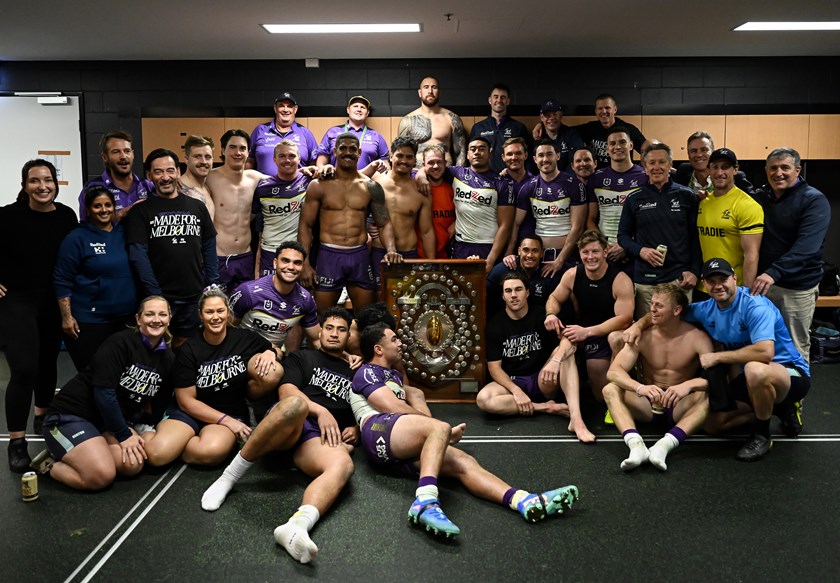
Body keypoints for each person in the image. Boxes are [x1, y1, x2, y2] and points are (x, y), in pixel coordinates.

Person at [349, 322, 580, 538]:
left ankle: (523, 501)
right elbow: (392, 406)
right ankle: (425, 502)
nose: (400, 343)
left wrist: (439, 438)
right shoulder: (368, 371)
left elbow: (418, 407)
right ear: (378, 349)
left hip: (397, 441)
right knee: (438, 428)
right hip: (376, 429)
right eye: (394, 339)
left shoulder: (395, 376)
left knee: (464, 462)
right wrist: (442, 432)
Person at [199, 307, 358, 564]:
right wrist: (321, 412)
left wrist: (357, 430)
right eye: (329, 327)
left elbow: (365, 410)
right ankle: (229, 477)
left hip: (316, 439)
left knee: (344, 465)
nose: (333, 334)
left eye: (341, 330)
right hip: (288, 423)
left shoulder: (355, 371)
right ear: (321, 330)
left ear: (349, 335)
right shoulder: (302, 357)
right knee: (297, 405)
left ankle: (296, 527)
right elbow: (287, 393)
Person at [625, 258, 812, 461]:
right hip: (749, 379)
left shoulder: (754, 305)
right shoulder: (706, 309)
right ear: (704, 284)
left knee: (755, 369)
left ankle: (762, 436)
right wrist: (638, 325)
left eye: (723, 279)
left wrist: (717, 357)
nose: (717, 285)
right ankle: (778, 408)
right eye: (711, 281)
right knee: (712, 424)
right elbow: (669, 311)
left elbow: (765, 352)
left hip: (789, 372)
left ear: (734, 278)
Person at [32, 296, 175, 489]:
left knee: (132, 464)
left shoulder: (167, 357)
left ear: (169, 318)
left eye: (162, 314)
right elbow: (104, 395)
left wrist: (144, 424)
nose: (156, 319)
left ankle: (83, 453)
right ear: (138, 318)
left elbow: (156, 398)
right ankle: (49, 465)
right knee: (101, 476)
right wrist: (124, 435)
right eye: (149, 314)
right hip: (70, 416)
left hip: (103, 423)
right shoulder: (120, 343)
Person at [143, 289, 281, 466]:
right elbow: (186, 401)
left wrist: (271, 352)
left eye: (220, 311)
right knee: (157, 455)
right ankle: (148, 433)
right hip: (191, 412)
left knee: (210, 452)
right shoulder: (188, 350)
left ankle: (179, 444)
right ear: (201, 315)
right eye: (209, 312)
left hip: (229, 410)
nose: (215, 317)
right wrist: (228, 422)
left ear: (228, 312)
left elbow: (276, 348)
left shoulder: (244, 338)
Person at [0, 159, 77, 472]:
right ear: (24, 185)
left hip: (51, 300)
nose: (43, 186)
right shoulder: (7, 216)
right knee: (24, 369)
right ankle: (17, 442)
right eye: (35, 181)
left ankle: (43, 416)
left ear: (55, 183)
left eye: (48, 180)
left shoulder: (66, 216)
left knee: (47, 364)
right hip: (17, 300)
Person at [603, 284, 712, 471]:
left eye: (659, 306)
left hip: (679, 404)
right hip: (647, 402)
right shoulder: (643, 336)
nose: (651, 309)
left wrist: (687, 386)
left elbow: (715, 380)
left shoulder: (697, 338)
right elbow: (614, 372)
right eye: (652, 303)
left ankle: (665, 445)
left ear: (677, 310)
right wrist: (640, 387)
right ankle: (636, 447)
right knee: (610, 389)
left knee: (708, 396)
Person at [478, 273, 595, 441]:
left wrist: (555, 361)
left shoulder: (541, 316)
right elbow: (494, 368)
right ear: (503, 296)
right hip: (513, 381)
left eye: (518, 290)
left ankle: (576, 420)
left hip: (543, 379)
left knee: (565, 354)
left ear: (527, 292)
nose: (513, 295)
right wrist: (516, 391)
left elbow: (569, 341)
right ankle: (544, 408)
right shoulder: (495, 325)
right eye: (508, 291)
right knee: (484, 400)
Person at [125, 148, 218, 347]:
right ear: (149, 176)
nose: (165, 177)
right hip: (158, 297)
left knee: (186, 348)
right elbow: (138, 255)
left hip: (193, 295)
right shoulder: (140, 211)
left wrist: (212, 283)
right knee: (155, 348)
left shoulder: (197, 207)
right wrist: (156, 295)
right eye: (158, 172)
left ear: (178, 171)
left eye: (170, 170)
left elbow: (209, 246)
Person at [298, 132, 401, 314]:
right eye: (343, 148)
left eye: (352, 149)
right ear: (335, 151)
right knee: (323, 319)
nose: (348, 152)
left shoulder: (371, 187)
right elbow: (305, 226)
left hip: (359, 256)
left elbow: (383, 223)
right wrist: (305, 264)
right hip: (328, 256)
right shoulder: (319, 185)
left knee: (365, 319)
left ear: (359, 152)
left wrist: (391, 250)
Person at [750, 147, 831, 363]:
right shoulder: (760, 197)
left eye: (785, 167)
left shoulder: (814, 200)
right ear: (766, 170)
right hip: (763, 286)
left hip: (796, 289)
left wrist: (772, 272)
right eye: (773, 168)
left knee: (794, 347)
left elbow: (807, 246)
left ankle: (795, 397)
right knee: (761, 344)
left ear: (798, 170)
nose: (779, 173)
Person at [54, 185, 137, 371]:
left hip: (126, 318)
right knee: (94, 374)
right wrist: (66, 317)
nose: (104, 210)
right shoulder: (77, 238)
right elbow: (62, 279)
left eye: (108, 205)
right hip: (91, 320)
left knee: (124, 374)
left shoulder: (125, 232)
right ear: (88, 210)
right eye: (97, 206)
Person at [544, 230, 635, 402]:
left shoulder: (620, 279)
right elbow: (554, 298)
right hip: (583, 331)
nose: (590, 257)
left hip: (606, 333)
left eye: (595, 251)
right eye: (585, 252)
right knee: (566, 339)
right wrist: (550, 314)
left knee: (601, 398)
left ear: (605, 252)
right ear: (580, 253)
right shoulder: (572, 274)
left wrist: (587, 332)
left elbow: (625, 319)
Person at [617, 143, 701, 318]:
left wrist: (694, 271)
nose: (657, 167)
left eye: (662, 162)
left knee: (680, 332)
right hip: (645, 282)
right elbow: (623, 237)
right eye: (651, 163)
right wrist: (641, 251)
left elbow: (695, 238)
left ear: (670, 165)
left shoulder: (686, 196)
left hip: (679, 280)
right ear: (644, 167)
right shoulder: (634, 199)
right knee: (648, 333)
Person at [427, 136, 514, 271]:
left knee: (487, 290)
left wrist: (490, 260)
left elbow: (506, 226)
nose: (477, 152)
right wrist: (421, 177)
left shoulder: (502, 183)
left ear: (490, 153)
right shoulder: (456, 174)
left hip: (489, 246)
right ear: (467, 154)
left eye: (482, 149)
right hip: (461, 246)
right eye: (473, 149)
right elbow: (430, 167)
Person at [229, 241, 320, 357]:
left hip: (272, 355)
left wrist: (343, 356)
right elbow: (228, 329)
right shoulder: (248, 292)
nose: (291, 267)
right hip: (241, 349)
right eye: (285, 261)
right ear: (275, 263)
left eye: (297, 263)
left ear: (303, 267)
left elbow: (317, 340)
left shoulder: (305, 299)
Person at [512, 139, 587, 278]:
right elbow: (515, 224)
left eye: (549, 154)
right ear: (534, 159)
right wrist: (509, 254)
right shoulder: (528, 186)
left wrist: (560, 260)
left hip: (567, 256)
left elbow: (578, 227)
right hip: (537, 256)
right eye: (541, 155)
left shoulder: (574, 184)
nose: (545, 159)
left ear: (557, 156)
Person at [206, 129, 268, 291]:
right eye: (232, 147)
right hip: (219, 258)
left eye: (242, 148)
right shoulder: (210, 177)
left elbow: (284, 178)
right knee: (218, 310)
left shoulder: (255, 178)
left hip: (245, 257)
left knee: (244, 309)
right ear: (223, 150)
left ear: (248, 152)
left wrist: (305, 171)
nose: (237, 152)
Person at [695, 148, 763, 293]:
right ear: (708, 170)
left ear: (735, 169)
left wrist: (746, 293)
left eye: (725, 167)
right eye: (715, 167)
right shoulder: (703, 202)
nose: (720, 173)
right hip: (704, 287)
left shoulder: (747, 205)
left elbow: (751, 254)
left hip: (732, 289)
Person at [370, 137, 436, 287]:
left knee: (407, 301)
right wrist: (367, 229)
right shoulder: (376, 181)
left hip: (408, 253)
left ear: (414, 160)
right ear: (391, 156)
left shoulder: (421, 190)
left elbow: (427, 231)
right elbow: (357, 210)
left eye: (409, 157)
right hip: (380, 251)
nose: (404, 161)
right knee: (379, 300)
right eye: (399, 155)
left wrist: (432, 263)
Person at [585, 127, 648, 267]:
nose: (617, 147)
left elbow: (649, 220)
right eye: (612, 144)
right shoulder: (596, 178)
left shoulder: (645, 177)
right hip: (605, 251)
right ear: (607, 148)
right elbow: (590, 219)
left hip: (636, 249)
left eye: (622, 142)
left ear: (631, 145)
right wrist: (603, 245)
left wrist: (628, 246)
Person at [252, 140, 314, 276]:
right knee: (268, 295)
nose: (287, 160)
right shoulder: (263, 187)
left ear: (299, 159)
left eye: (292, 156)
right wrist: (257, 266)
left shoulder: (310, 182)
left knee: (299, 296)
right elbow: (258, 228)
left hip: (298, 252)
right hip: (269, 253)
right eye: (282, 156)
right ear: (274, 159)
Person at [77, 130, 153, 221]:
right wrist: (122, 214)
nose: (123, 156)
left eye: (127, 151)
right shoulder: (92, 188)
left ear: (133, 154)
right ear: (105, 157)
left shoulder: (147, 186)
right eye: (116, 152)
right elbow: (86, 227)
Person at [398, 76, 466, 166]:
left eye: (434, 87)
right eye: (426, 87)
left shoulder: (452, 118)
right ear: (420, 92)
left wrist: (458, 178)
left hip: (446, 174)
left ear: (439, 92)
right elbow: (401, 154)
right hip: (416, 175)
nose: (430, 91)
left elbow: (461, 153)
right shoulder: (407, 121)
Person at [248, 92, 318, 174]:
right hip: (265, 186)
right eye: (281, 106)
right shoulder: (260, 130)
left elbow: (314, 164)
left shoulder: (305, 133)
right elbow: (249, 161)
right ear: (275, 108)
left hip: (298, 186)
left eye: (289, 106)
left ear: (295, 109)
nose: (285, 110)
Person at [469, 83, 532, 174]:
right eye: (496, 97)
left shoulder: (518, 127)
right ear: (490, 100)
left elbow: (527, 158)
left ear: (508, 101)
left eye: (503, 97)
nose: (499, 100)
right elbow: (471, 157)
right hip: (484, 179)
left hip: (510, 178)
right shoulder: (478, 128)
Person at [316, 95, 389, 170]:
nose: (359, 109)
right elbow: (320, 162)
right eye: (355, 106)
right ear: (348, 110)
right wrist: (323, 173)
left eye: (363, 107)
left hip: (366, 180)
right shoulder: (333, 132)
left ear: (367, 113)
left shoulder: (376, 136)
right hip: (337, 180)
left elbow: (386, 165)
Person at [575, 94, 649, 167]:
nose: (604, 111)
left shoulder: (628, 129)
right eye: (600, 108)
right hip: (597, 175)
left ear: (615, 109)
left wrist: (644, 168)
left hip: (623, 174)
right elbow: (568, 131)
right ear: (596, 111)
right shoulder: (589, 128)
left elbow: (647, 150)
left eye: (607, 108)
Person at [673, 131, 754, 197]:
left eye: (704, 150)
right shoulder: (683, 172)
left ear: (712, 152)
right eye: (693, 151)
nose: (699, 155)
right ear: (688, 155)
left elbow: (755, 203)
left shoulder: (734, 177)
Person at [490, 235, 556, 314]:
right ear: (519, 251)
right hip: (507, 322)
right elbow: (486, 294)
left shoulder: (549, 275)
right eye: (526, 250)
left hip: (540, 323)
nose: (530, 255)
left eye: (535, 251)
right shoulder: (504, 269)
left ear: (541, 253)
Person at [418, 145, 455, 259]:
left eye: (439, 162)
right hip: (417, 257)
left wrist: (455, 226)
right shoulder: (416, 188)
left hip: (445, 256)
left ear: (445, 164)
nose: (435, 166)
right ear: (423, 165)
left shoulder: (452, 189)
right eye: (431, 162)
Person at [500, 137, 536, 253]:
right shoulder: (498, 182)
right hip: (501, 245)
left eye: (518, 153)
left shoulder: (536, 183)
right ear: (503, 157)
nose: (514, 158)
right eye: (509, 154)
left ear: (526, 155)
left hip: (531, 246)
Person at [531, 99, 584, 171]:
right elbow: (532, 165)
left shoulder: (571, 134)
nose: (552, 118)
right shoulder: (536, 136)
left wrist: (564, 180)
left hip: (567, 179)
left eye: (555, 114)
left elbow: (576, 160)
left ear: (561, 115)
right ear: (541, 117)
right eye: (547, 115)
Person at [180, 134, 216, 219]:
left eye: (207, 157)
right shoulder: (177, 189)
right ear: (186, 159)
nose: (203, 161)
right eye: (197, 156)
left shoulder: (207, 188)